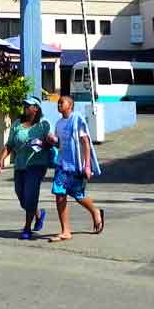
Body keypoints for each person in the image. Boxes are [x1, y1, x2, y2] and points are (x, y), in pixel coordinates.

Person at [47, 95, 103, 242]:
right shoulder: (58, 123)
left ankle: (95, 211)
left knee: (78, 195)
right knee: (59, 194)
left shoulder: (77, 119)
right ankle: (65, 231)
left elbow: (85, 142)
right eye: (58, 103)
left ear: (70, 105)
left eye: (62, 102)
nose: (59, 104)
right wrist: (53, 140)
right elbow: (60, 145)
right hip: (62, 165)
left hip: (76, 165)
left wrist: (87, 165)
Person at [0, 96, 52, 240]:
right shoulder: (17, 124)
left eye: (29, 105)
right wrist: (1, 159)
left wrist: (43, 143)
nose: (25, 107)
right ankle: (39, 214)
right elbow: (10, 145)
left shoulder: (43, 124)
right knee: (21, 196)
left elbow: (51, 142)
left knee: (31, 194)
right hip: (20, 164)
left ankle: (27, 227)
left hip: (37, 164)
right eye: (24, 104)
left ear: (36, 108)